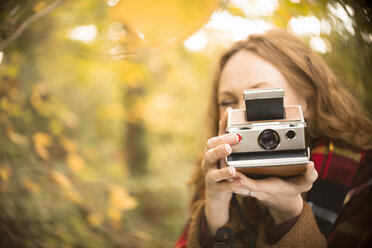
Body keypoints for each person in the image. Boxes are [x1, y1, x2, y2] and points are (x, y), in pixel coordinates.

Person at [175, 29, 372, 248]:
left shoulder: (364, 177)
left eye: (261, 98)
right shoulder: (215, 174)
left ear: (307, 101)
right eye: (227, 102)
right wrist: (215, 212)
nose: (242, 114)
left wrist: (288, 210)